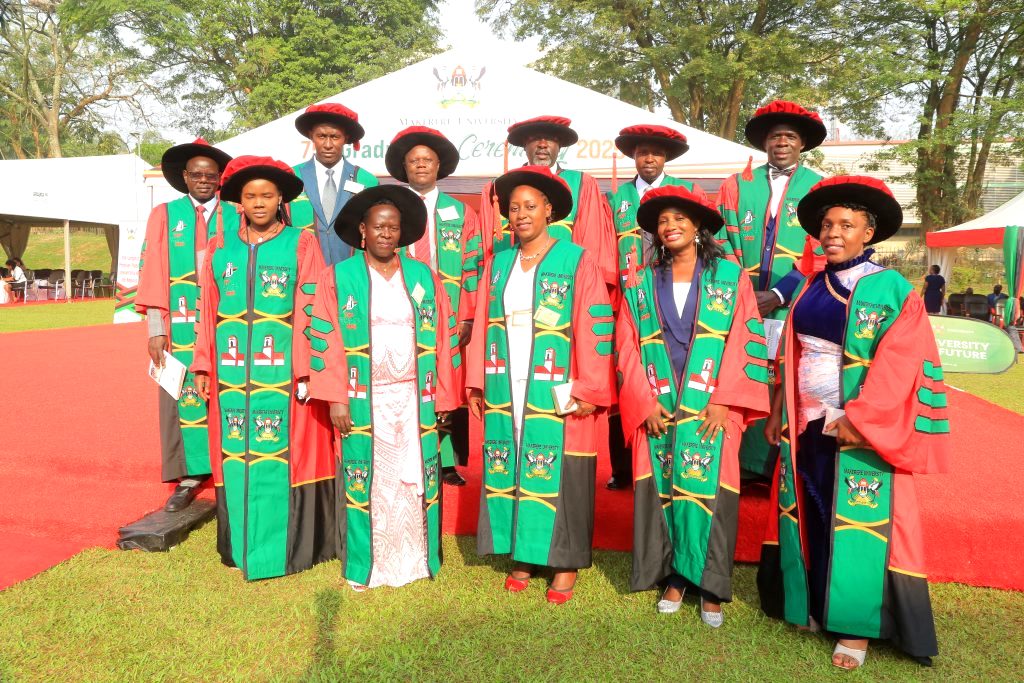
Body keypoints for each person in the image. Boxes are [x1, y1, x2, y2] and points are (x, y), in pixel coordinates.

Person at [759, 176, 951, 670]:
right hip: (806, 425)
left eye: (847, 224)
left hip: (855, 427)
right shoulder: (809, 285)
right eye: (826, 224)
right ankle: (812, 603)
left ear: (870, 233)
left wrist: (860, 419)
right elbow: (790, 353)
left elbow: (902, 361)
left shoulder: (889, 288)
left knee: (858, 524)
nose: (833, 232)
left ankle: (855, 626)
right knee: (812, 513)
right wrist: (780, 411)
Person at [616, 185, 770, 626]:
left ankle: (709, 585)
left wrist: (725, 401)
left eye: (680, 219)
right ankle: (674, 577)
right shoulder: (640, 280)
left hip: (711, 406)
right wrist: (642, 402)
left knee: (709, 490)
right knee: (664, 486)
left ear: (698, 224)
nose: (671, 227)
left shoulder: (730, 274)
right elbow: (625, 345)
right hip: (659, 403)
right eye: (663, 220)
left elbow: (747, 339)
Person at [466, 166, 615, 604]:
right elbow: (483, 324)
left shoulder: (576, 258)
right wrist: (476, 382)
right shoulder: (499, 262)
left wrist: (588, 385)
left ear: (550, 210)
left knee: (559, 467)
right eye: (513, 208)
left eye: (530, 206)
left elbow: (596, 325)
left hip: (556, 378)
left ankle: (564, 561)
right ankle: (525, 552)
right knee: (512, 458)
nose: (521, 215)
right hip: (505, 376)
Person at [308, 185, 459, 590]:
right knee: (371, 478)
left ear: (402, 232)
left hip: (414, 396)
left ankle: (415, 559)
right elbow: (326, 340)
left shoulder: (423, 275)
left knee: (414, 476)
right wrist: (337, 397)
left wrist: (444, 394)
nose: (386, 234)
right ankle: (368, 565)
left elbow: (444, 336)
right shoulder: (338, 277)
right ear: (362, 230)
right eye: (378, 227)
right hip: (364, 398)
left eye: (393, 227)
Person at [192, 156, 335, 581]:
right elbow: (207, 309)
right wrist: (203, 364)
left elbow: (313, 307)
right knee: (235, 453)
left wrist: (307, 369)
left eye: (267, 196)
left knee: (287, 453)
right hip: (233, 376)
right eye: (250, 196)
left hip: (283, 377)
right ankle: (241, 544)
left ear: (280, 200)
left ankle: (287, 548)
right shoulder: (221, 249)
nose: (258, 203)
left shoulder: (302, 244)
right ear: (238, 201)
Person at [715, 100, 828, 479]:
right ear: (765, 143)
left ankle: (777, 464)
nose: (782, 142)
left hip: (795, 303)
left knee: (786, 376)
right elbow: (719, 239)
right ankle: (742, 463)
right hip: (742, 300)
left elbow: (822, 248)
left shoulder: (819, 188)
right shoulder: (737, 184)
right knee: (743, 368)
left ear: (802, 144)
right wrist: (743, 292)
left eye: (790, 136)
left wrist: (780, 294)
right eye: (775, 136)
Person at [135, 138, 239, 512]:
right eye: (196, 174)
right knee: (182, 395)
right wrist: (155, 328)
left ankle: (227, 464)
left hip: (226, 320)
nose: (204, 180)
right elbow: (153, 272)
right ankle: (191, 473)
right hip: (178, 323)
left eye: (211, 175)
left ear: (220, 179)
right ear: (184, 177)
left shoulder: (237, 213)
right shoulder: (165, 215)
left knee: (227, 389)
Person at [606, 124, 710, 490]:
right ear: (633, 156)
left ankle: (683, 461)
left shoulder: (687, 193)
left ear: (666, 157)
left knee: (676, 370)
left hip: (677, 292)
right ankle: (624, 467)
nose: (649, 158)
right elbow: (606, 249)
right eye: (642, 152)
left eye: (656, 153)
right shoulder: (615, 197)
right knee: (627, 374)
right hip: (629, 298)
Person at [384, 125, 481, 487]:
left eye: (427, 160)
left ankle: (445, 462)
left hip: (451, 312)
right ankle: (405, 451)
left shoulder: (461, 212)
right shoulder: (392, 210)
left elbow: (473, 267)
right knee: (405, 378)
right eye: (414, 161)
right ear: (404, 168)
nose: (421, 166)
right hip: (403, 310)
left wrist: (469, 314)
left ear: (439, 165)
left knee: (446, 381)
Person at [291, 102, 379, 266]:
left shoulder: (366, 181)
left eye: (335, 137)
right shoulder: (291, 178)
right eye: (322, 136)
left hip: (352, 277)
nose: (328, 145)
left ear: (346, 139)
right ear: (311, 136)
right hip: (304, 278)